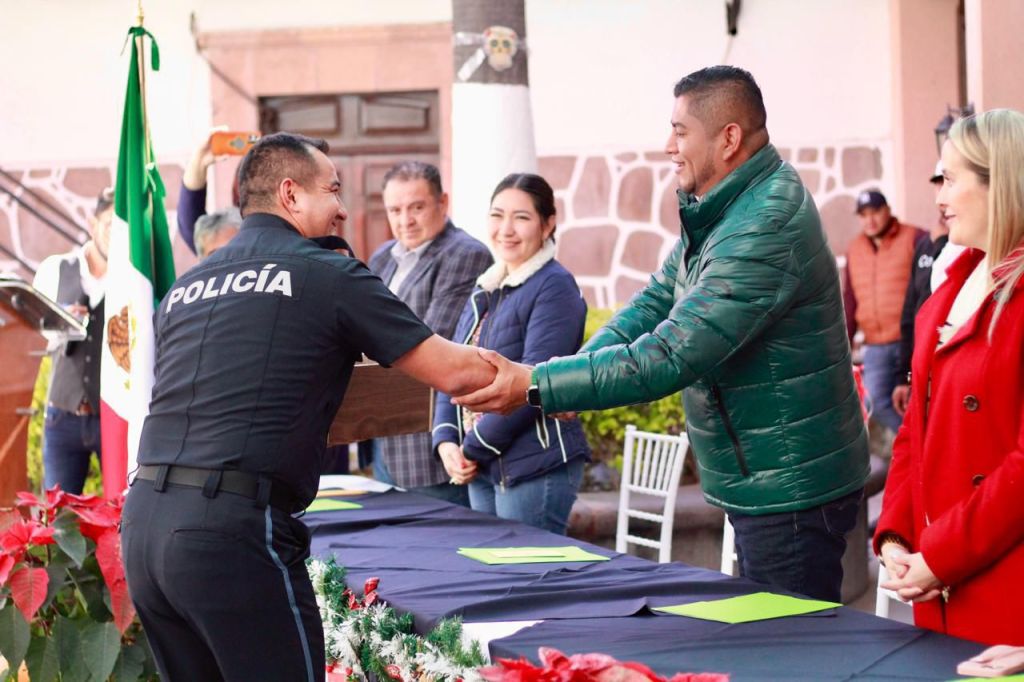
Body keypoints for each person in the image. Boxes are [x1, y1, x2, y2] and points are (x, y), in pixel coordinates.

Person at [453, 66, 869, 602]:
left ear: (729, 139)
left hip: (789, 484)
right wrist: (565, 381)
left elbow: (671, 354)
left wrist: (537, 383)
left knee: (790, 641)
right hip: (768, 477)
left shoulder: (764, 222)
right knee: (772, 636)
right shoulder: (728, 208)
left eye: (679, 131)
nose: (668, 146)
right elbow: (653, 302)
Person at [121, 132, 496, 681]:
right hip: (229, 531)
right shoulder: (327, 273)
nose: (343, 208)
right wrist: (551, 382)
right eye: (333, 190)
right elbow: (456, 371)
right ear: (291, 194)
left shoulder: (188, 285)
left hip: (143, 526)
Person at [875, 109, 1024, 646]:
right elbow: (915, 430)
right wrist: (895, 535)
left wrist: (941, 555)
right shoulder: (947, 292)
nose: (938, 195)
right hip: (938, 591)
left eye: (950, 178)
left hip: (1004, 591)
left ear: (998, 183)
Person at [433, 173, 591, 533]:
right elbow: (452, 367)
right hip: (481, 463)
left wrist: (470, 448)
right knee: (492, 567)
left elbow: (534, 382)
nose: (506, 229)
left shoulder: (554, 286)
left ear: (548, 224)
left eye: (521, 217)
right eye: (497, 215)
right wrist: (446, 442)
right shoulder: (487, 286)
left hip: (534, 464)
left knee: (528, 568)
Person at [368, 161, 492, 504]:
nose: (405, 220)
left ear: (443, 203)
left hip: (431, 445)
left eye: (417, 207)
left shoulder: (465, 254)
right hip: (383, 438)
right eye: (395, 210)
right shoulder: (382, 258)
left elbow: (430, 341)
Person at [32, 187, 111, 493]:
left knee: (123, 509)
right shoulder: (55, 268)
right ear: (93, 225)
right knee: (57, 513)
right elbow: (35, 331)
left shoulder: (132, 280)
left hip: (111, 418)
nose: (115, 236)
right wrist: (59, 318)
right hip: (62, 417)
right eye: (109, 226)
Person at [842, 189, 926, 435]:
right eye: (863, 214)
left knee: (918, 402)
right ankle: (916, 445)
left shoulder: (916, 238)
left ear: (887, 210)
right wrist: (844, 343)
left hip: (909, 341)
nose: (870, 220)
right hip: (875, 345)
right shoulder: (854, 249)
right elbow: (850, 300)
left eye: (875, 212)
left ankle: (921, 448)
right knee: (875, 402)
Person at [891, 163, 967, 415]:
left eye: (948, 181)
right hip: (922, 361)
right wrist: (904, 375)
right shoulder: (925, 243)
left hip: (950, 366)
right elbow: (910, 311)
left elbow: (950, 293)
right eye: (938, 183)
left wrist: (942, 243)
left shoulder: (967, 241)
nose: (941, 193)